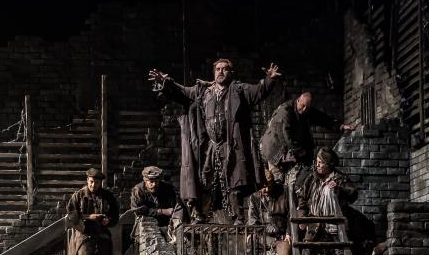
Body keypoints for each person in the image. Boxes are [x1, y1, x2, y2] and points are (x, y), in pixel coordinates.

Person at [149, 60, 281, 224]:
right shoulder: (203, 91)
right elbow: (182, 91)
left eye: (225, 69)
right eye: (218, 69)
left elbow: (259, 91)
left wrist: (270, 79)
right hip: (209, 144)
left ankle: (238, 217)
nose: (221, 72)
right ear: (214, 72)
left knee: (234, 180)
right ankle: (201, 215)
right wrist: (165, 82)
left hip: (231, 144)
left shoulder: (240, 90)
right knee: (205, 179)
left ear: (231, 73)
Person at [260, 92, 355, 186]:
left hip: (289, 150)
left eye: (307, 107)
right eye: (303, 106)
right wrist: (301, 153)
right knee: (278, 182)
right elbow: (286, 136)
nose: (304, 109)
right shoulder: (285, 111)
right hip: (274, 150)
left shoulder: (306, 110)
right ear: (298, 100)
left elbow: (322, 118)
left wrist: (340, 126)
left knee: (294, 179)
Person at [296, 147, 359, 255]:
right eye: (317, 162)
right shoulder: (311, 179)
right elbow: (302, 199)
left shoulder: (339, 178)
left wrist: (339, 188)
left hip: (334, 224)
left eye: (321, 163)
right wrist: (302, 217)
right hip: (315, 221)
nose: (317, 165)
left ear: (329, 164)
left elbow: (353, 194)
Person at [67, 168, 120, 255]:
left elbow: (115, 216)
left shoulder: (108, 196)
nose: (93, 185)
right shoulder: (78, 196)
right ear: (87, 180)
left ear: (100, 183)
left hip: (102, 235)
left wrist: (108, 221)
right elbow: (72, 217)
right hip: (84, 236)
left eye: (96, 182)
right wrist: (89, 217)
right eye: (91, 182)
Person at [130, 166, 185, 233]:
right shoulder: (138, 190)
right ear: (145, 180)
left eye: (156, 181)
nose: (154, 184)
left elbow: (174, 208)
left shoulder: (168, 189)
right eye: (151, 181)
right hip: (145, 225)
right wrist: (161, 211)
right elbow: (138, 211)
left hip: (166, 225)